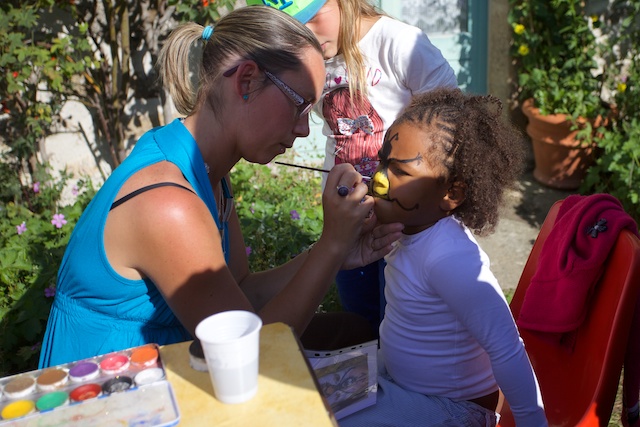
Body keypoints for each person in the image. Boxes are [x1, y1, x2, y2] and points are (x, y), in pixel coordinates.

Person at [38, 6, 404, 368]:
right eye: (300, 106)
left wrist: (333, 253)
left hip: (153, 381)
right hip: (104, 399)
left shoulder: (206, 171)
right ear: (245, 80)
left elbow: (242, 292)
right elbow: (251, 353)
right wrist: (332, 246)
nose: (304, 129)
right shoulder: (169, 203)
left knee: (354, 332)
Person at [247, 0, 458, 337]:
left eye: (313, 18)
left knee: (402, 320)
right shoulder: (313, 57)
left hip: (407, 223)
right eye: (295, 27)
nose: (308, 36)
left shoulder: (399, 44)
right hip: (351, 219)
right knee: (361, 320)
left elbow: (451, 118)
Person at [340, 88, 548, 426]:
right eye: (381, 162)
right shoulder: (406, 225)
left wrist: (532, 423)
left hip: (453, 410)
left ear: (450, 193)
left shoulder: (449, 258)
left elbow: (507, 348)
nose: (377, 179)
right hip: (403, 386)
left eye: (399, 171)